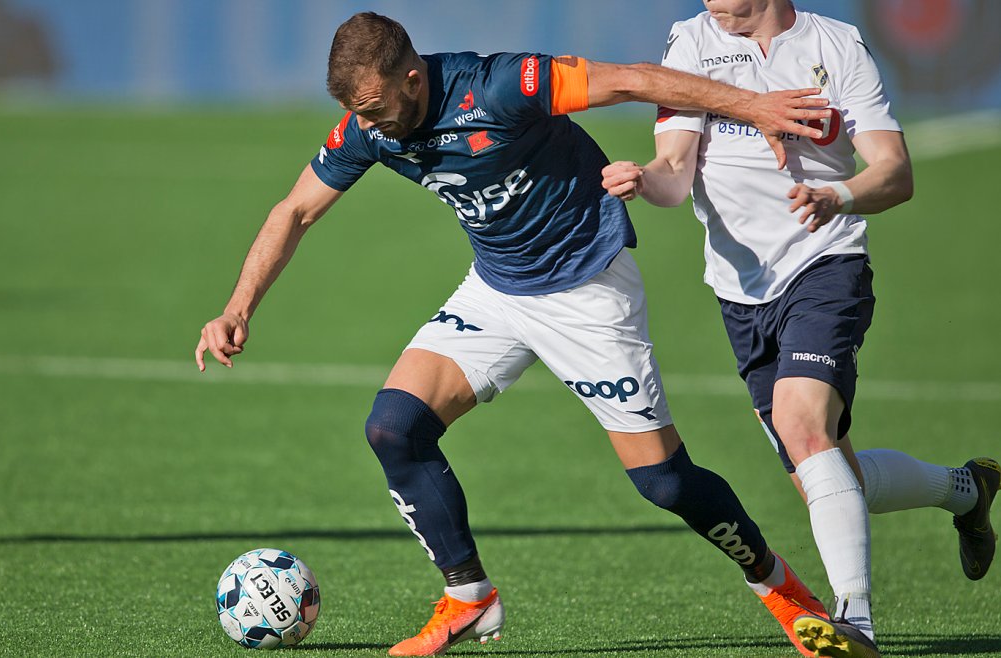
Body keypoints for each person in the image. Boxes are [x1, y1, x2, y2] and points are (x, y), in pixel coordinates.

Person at [195, 11, 844, 657]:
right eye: (355, 112)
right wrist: (237, 308)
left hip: (587, 289)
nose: (366, 125)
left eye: (374, 108)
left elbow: (633, 79)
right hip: (497, 290)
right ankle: (469, 597)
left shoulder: (500, 86)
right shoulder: (367, 128)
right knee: (394, 428)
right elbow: (295, 210)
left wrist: (754, 106)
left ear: (413, 80)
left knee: (664, 483)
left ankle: (779, 586)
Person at [601, 1, 1000, 655]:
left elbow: (894, 171)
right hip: (740, 293)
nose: (707, 1)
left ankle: (856, 624)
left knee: (802, 424)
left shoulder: (836, 45)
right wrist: (643, 178)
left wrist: (836, 196)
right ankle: (966, 490)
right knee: (831, 477)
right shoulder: (691, 42)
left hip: (826, 263)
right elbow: (674, 173)